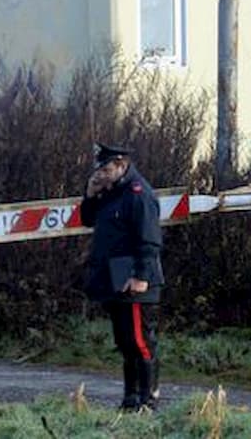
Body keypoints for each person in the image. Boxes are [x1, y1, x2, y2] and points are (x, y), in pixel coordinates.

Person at [80, 143, 164, 411]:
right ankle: (131, 398)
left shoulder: (138, 194)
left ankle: (148, 399)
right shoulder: (111, 192)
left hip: (137, 280)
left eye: (106, 169)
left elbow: (149, 239)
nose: (101, 174)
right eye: (99, 169)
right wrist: (91, 195)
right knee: (125, 342)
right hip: (114, 278)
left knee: (141, 341)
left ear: (121, 165)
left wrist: (141, 276)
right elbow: (88, 220)